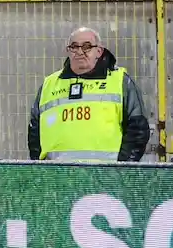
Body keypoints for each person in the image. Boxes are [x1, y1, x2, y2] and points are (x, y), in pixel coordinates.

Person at [28, 26, 150, 162]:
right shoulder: (49, 84)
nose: (80, 52)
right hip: (56, 174)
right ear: (68, 51)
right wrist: (40, 168)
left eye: (87, 46)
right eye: (74, 47)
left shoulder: (120, 81)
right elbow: (34, 134)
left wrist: (122, 169)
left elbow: (138, 129)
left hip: (104, 174)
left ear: (99, 51)